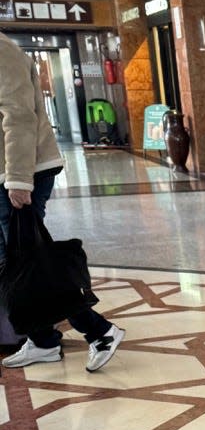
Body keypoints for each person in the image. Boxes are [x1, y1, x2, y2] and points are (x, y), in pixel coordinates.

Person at [0, 31, 123, 373]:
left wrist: (19, 178)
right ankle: (42, 340)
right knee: (12, 264)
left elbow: (19, 117)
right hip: (7, 173)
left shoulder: (2, 51)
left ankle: (100, 332)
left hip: (23, 172)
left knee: (32, 263)